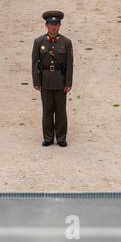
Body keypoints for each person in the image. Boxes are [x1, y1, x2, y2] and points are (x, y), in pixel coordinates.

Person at [31, 10, 73, 147]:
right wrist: (36, 81)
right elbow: (35, 62)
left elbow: (69, 64)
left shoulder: (66, 42)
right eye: (50, 24)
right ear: (46, 25)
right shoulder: (39, 42)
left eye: (56, 24)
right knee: (47, 111)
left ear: (60, 26)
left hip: (60, 81)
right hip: (46, 80)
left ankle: (61, 138)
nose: (53, 27)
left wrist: (68, 83)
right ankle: (48, 137)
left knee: (61, 112)